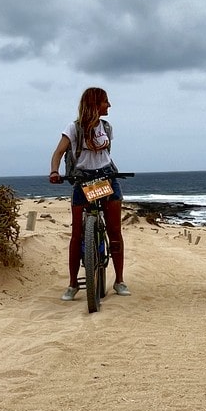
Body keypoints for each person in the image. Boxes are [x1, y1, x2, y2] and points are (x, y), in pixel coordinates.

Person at [49, 87, 130, 300]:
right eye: (105, 102)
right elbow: (58, 153)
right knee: (77, 235)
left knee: (115, 231)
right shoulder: (74, 128)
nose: (109, 106)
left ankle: (119, 280)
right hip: (83, 179)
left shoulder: (107, 127)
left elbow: (105, 155)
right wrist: (54, 171)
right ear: (94, 104)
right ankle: (73, 283)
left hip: (106, 177)